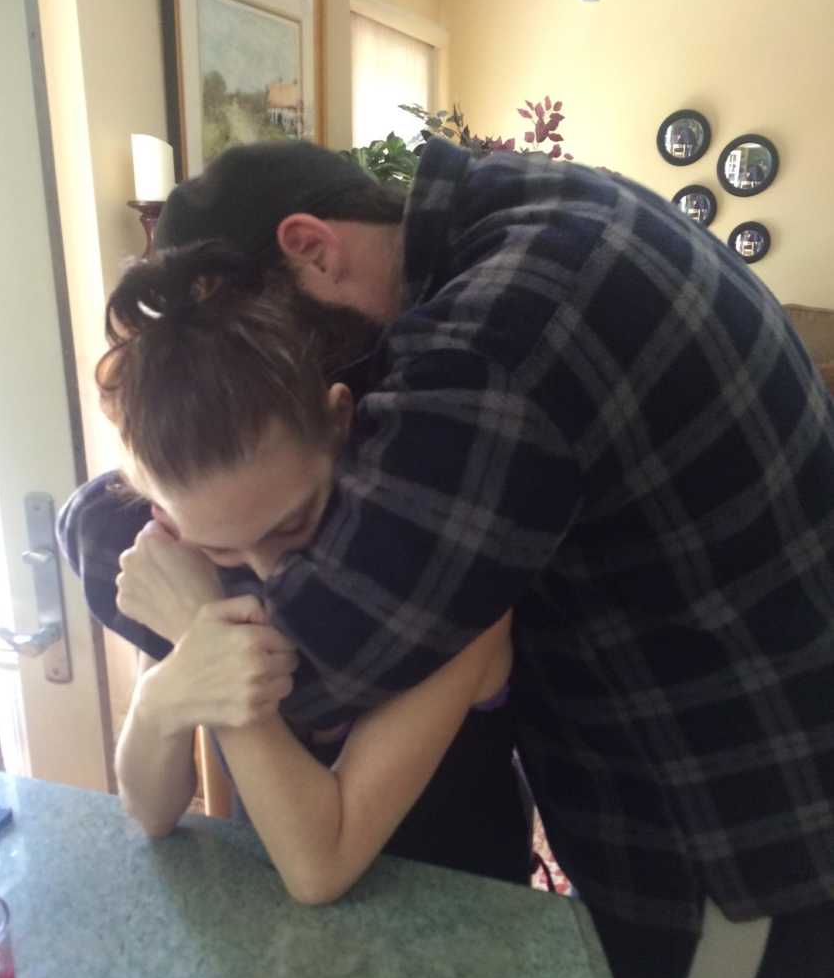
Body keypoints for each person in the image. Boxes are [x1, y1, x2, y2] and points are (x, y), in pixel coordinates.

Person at [59, 137, 834, 978]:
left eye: (285, 339)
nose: (284, 371)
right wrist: (153, 603)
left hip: (744, 837)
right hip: (665, 801)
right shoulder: (525, 214)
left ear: (312, 248)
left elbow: (300, 668)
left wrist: (188, 617)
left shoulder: (498, 336)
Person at [93, 240, 534, 897]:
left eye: (292, 523)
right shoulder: (188, 564)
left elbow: (319, 866)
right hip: (287, 955)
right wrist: (166, 692)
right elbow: (150, 810)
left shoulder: (440, 572)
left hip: (464, 937)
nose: (267, 570)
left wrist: (203, 644)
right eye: (220, 548)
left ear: (338, 421)